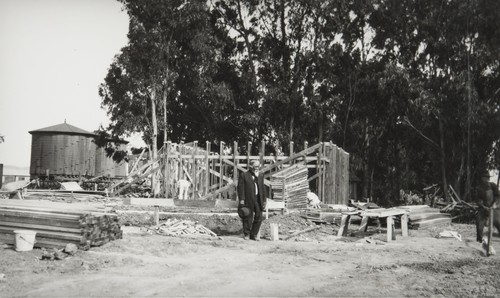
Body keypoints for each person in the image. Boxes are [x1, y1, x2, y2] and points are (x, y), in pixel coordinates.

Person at [238, 160, 267, 240]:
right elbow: (241, 188)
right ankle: (246, 234)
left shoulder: (261, 175)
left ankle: (253, 234)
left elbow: (262, 188)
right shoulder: (244, 175)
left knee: (259, 216)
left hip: (258, 198)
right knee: (248, 216)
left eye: (258, 166)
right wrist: (242, 199)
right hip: (248, 199)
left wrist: (264, 200)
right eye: (255, 167)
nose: (257, 168)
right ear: (251, 167)